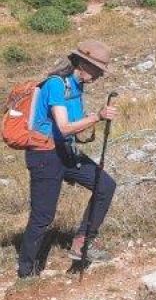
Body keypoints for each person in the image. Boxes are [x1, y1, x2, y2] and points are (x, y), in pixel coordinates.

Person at [17, 41, 118, 278]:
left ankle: (82, 242)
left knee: (105, 185)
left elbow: (72, 127)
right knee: (43, 216)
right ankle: (27, 270)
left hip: (66, 152)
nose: (99, 76)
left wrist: (92, 122)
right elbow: (63, 127)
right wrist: (98, 117)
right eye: (96, 70)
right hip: (44, 155)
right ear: (82, 64)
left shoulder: (77, 86)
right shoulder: (55, 85)